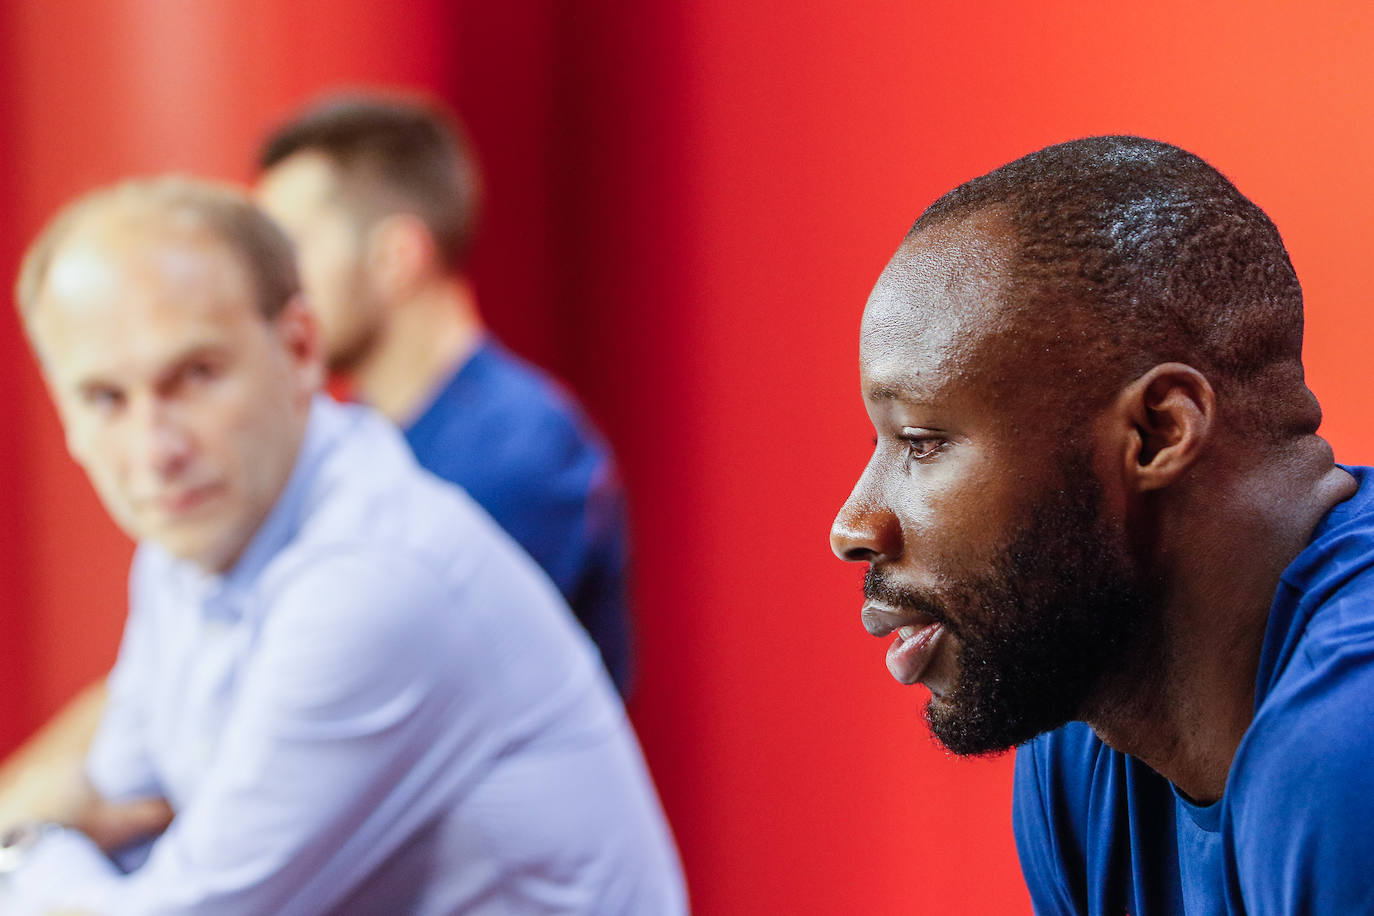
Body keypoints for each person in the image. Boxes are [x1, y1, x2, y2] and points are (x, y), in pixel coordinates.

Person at [0, 177, 686, 914]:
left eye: (196, 376)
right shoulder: (191, 540)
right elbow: (121, 803)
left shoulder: (374, 577)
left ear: (300, 349)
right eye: (104, 398)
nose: (154, 449)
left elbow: (172, 900)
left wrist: (27, 848)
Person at [829, 136, 1374, 913]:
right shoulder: (1084, 737)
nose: (852, 526)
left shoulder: (1350, 749)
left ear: (1156, 433)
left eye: (921, 442)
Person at [256, 92, 633, 693]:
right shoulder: (351, 438)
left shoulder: (519, 453)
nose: (275, 290)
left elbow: (378, 684)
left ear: (396, 256)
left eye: (292, 249)